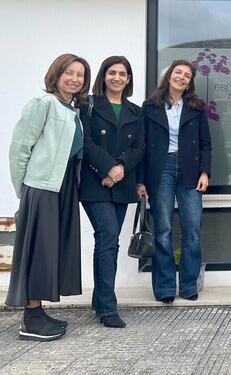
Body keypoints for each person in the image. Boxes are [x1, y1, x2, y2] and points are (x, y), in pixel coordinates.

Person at [7, 53, 91, 341]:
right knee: (37, 250)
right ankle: (30, 319)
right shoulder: (43, 104)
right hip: (42, 187)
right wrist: (25, 191)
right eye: (69, 72)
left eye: (80, 75)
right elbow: (19, 148)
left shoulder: (72, 110)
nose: (75, 79)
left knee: (50, 250)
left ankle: (38, 311)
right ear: (56, 74)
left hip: (64, 187)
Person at [137, 59, 211, 303]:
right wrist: (140, 180)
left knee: (192, 229)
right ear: (169, 76)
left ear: (190, 82)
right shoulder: (150, 106)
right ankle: (165, 287)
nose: (181, 77)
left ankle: (188, 285)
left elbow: (205, 143)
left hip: (190, 170)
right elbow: (141, 145)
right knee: (163, 230)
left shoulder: (196, 108)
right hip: (161, 169)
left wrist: (205, 172)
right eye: (178, 72)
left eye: (187, 75)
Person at [79, 56, 145, 328]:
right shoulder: (88, 106)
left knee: (108, 241)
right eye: (112, 73)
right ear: (103, 76)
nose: (117, 78)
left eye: (122, 74)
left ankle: (99, 301)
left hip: (122, 184)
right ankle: (108, 308)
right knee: (108, 238)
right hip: (94, 184)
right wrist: (108, 168)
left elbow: (140, 147)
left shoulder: (135, 111)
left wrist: (120, 169)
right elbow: (85, 142)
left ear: (128, 79)